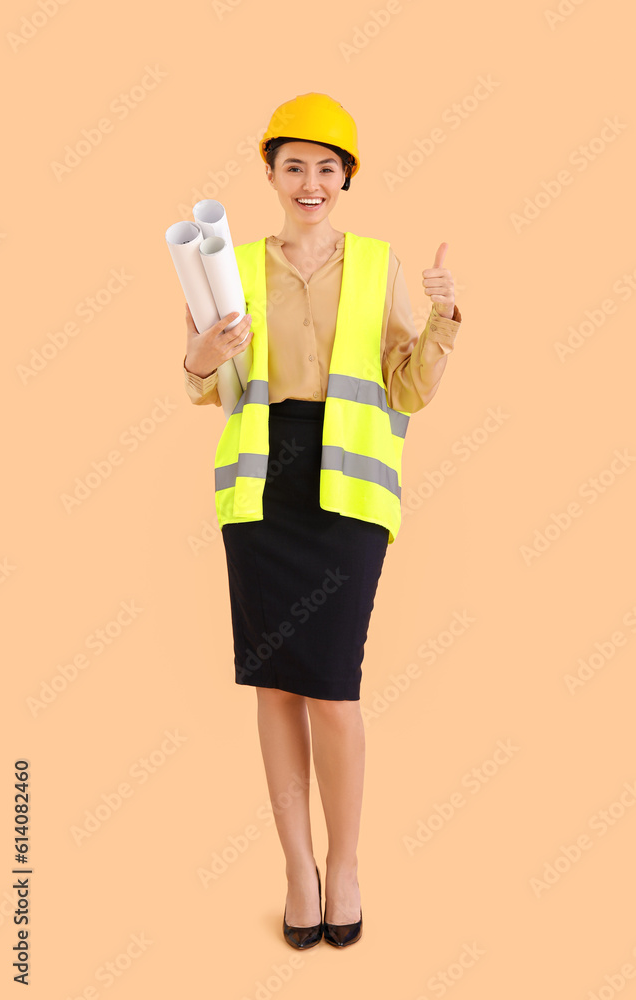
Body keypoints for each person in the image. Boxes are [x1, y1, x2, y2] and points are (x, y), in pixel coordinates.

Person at [182, 93, 462, 949]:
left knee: (333, 690)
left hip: (346, 492)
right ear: (269, 175)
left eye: (326, 167)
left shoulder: (377, 263)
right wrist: (204, 355)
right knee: (274, 684)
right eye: (294, 166)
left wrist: (443, 313)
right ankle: (296, 870)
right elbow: (201, 383)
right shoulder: (230, 264)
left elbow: (408, 388)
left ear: (345, 179)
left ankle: (344, 866)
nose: (311, 181)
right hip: (262, 486)